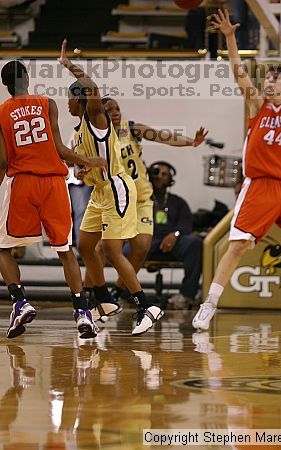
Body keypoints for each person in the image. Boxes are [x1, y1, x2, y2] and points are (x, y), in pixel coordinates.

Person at [192, 11, 281, 331]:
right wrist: (229, 38)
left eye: (274, 78)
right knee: (237, 246)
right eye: (266, 78)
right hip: (261, 187)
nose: (268, 82)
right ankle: (209, 304)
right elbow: (239, 73)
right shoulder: (256, 105)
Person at [59, 39, 164, 336]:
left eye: (69, 98)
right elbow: (79, 167)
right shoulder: (78, 131)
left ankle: (146, 306)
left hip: (117, 188)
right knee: (85, 246)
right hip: (99, 193)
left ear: (79, 100)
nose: (66, 103)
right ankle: (104, 299)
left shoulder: (96, 120)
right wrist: (80, 168)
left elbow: (92, 88)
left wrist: (68, 65)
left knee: (112, 250)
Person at [0, 60, 107, 339]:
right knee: (64, 250)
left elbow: (2, 160)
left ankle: (19, 301)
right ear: (27, 77)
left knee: (2, 248)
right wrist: (86, 160)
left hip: (23, 182)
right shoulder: (48, 104)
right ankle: (82, 312)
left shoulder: (1, 112)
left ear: (5, 84)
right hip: (54, 185)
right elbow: (59, 148)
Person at [86, 97, 207, 306]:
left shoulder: (131, 129)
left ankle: (119, 290)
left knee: (141, 247)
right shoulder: (94, 139)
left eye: (117, 109)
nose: (115, 113)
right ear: (98, 114)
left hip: (141, 198)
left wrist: (191, 142)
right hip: (115, 199)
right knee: (101, 250)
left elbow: (163, 137)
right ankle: (89, 294)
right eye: (109, 110)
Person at [147, 161, 202, 309]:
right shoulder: (141, 199)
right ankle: (124, 294)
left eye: (164, 174)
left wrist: (175, 235)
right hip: (147, 240)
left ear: (170, 179)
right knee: (126, 250)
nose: (160, 177)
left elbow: (186, 224)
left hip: (173, 242)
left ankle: (186, 295)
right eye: (157, 173)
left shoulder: (178, 202)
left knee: (194, 243)